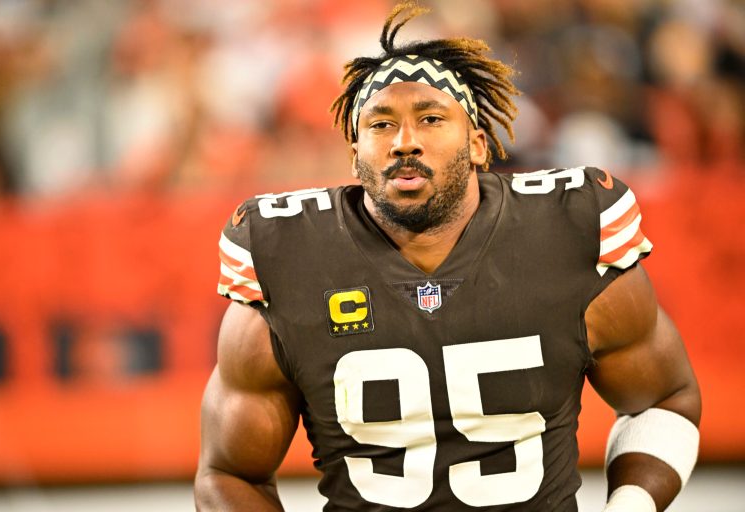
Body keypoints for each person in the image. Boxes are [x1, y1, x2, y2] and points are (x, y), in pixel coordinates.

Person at [194, 3, 701, 511]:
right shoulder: (289, 257)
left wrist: (629, 505)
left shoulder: (567, 231)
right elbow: (229, 472)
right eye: (380, 125)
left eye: (431, 119)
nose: (404, 142)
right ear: (354, 155)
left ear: (479, 144)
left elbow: (663, 400)